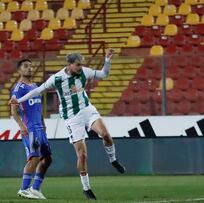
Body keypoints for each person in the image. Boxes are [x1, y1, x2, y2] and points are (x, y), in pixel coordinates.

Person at [9, 49, 126, 200]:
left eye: (81, 64)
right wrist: (18, 100)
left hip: (87, 109)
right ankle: (86, 188)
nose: (80, 67)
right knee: (82, 155)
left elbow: (104, 74)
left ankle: (113, 160)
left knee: (106, 135)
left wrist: (108, 61)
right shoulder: (57, 78)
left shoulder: (85, 72)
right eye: (78, 65)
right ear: (69, 64)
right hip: (71, 117)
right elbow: (38, 91)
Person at [11, 59, 52, 200]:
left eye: (31, 66)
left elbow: (38, 108)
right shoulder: (18, 88)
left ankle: (35, 189)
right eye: (26, 66)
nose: (30, 68)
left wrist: (44, 123)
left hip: (40, 127)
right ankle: (24, 189)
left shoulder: (35, 86)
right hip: (30, 128)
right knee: (34, 157)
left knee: (47, 158)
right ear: (19, 70)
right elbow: (14, 110)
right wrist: (21, 126)